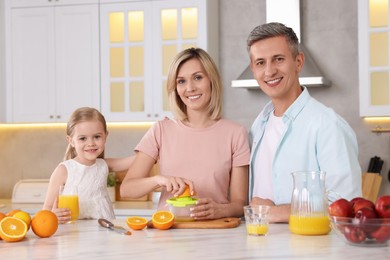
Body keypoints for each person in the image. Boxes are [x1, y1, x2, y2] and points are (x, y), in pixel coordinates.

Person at [246, 22, 362, 223]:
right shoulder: (259, 125)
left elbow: (346, 206)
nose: (269, 71)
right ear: (253, 69)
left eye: (278, 59)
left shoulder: (327, 125)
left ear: (298, 62)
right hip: (259, 246)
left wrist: (274, 212)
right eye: (260, 63)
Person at [120, 48, 250, 220]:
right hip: (169, 234)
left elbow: (240, 203)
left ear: (211, 80)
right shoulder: (161, 130)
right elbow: (127, 189)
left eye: (198, 77)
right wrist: (158, 180)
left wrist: (220, 210)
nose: (190, 88)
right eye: (181, 81)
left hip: (215, 234)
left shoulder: (236, 133)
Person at [43, 107, 134, 223]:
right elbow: (46, 209)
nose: (91, 143)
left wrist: (155, 150)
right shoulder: (64, 170)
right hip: (73, 234)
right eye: (82, 138)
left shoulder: (103, 165)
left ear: (106, 136)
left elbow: (135, 160)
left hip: (104, 231)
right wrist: (53, 215)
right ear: (71, 141)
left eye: (97, 137)